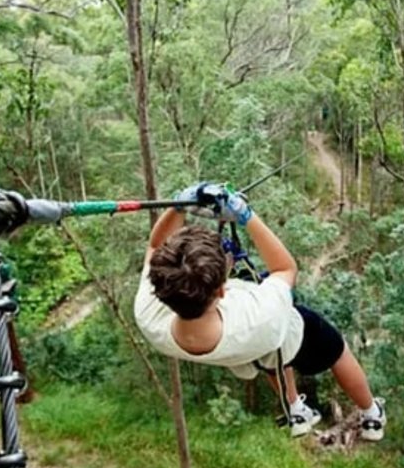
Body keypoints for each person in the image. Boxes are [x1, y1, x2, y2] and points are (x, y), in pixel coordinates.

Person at [133, 183, 386, 440]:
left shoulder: (150, 315)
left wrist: (178, 207)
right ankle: (372, 414)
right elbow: (286, 269)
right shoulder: (258, 314)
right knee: (336, 350)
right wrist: (245, 215)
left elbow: (155, 247)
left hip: (245, 352)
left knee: (268, 358)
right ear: (222, 290)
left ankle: (295, 408)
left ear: (160, 288)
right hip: (289, 336)